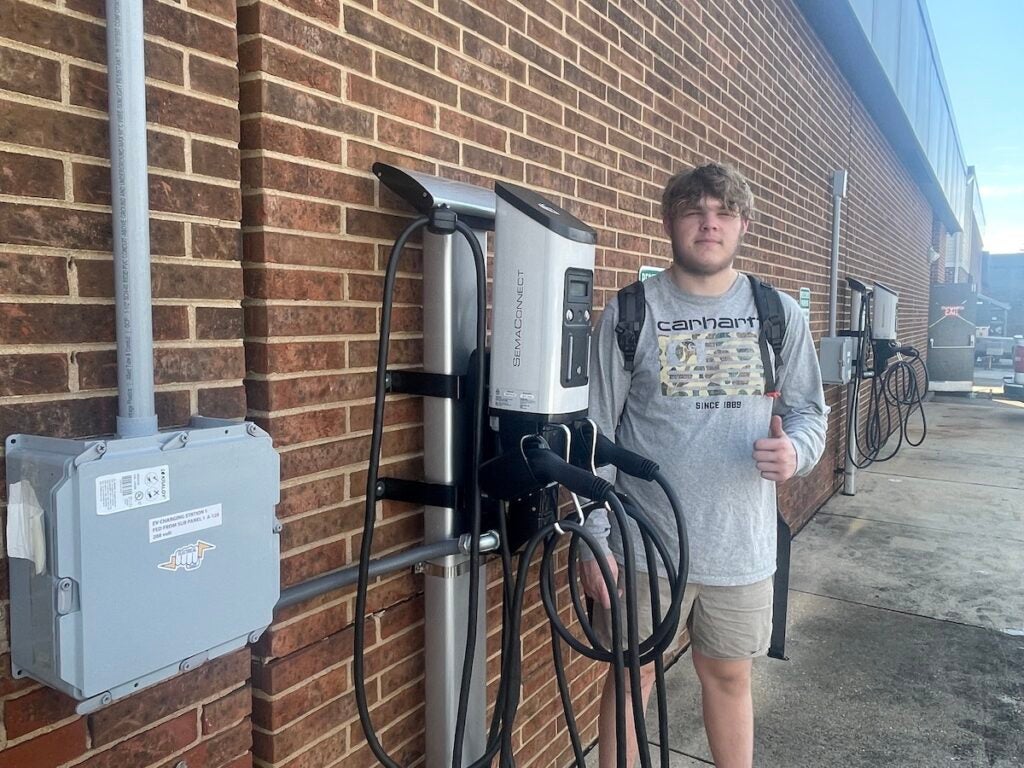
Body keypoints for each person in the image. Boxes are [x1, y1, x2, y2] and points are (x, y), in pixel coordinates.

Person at [582, 162, 828, 768]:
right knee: (631, 681)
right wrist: (592, 534)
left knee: (728, 679)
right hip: (643, 547)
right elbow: (590, 434)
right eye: (694, 210)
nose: (709, 223)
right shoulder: (630, 314)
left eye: (723, 212)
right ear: (670, 222)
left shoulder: (778, 316)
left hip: (740, 550)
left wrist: (795, 451)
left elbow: (810, 415)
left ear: (743, 224)